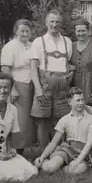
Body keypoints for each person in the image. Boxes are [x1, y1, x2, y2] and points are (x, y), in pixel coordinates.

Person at [30, 10, 74, 154]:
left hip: (62, 87)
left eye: (57, 22)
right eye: (52, 22)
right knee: (42, 121)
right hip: (44, 86)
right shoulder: (38, 41)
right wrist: (37, 88)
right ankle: (44, 153)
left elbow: (69, 64)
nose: (54, 25)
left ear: (61, 23)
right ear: (46, 23)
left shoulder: (67, 41)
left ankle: (60, 153)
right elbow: (33, 68)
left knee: (61, 120)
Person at [34, 87, 92, 174]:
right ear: (70, 102)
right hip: (67, 149)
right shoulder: (64, 119)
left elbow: (89, 143)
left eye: (82, 100)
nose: (81, 103)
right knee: (49, 167)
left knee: (77, 170)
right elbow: (54, 142)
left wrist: (77, 160)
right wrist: (42, 157)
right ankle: (49, 164)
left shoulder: (91, 119)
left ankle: (62, 169)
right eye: (78, 100)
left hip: (82, 152)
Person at [1, 19, 37, 155]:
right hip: (17, 85)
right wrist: (12, 89)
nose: (25, 33)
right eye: (22, 31)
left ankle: (25, 147)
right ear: (16, 31)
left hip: (31, 85)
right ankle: (16, 149)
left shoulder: (32, 45)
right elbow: (5, 69)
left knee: (28, 120)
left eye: (27, 31)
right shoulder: (10, 46)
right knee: (19, 120)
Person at [69, 18, 92, 102]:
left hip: (90, 84)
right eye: (78, 31)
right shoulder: (71, 46)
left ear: (89, 32)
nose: (81, 33)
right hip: (74, 83)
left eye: (83, 31)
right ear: (75, 32)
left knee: (89, 108)